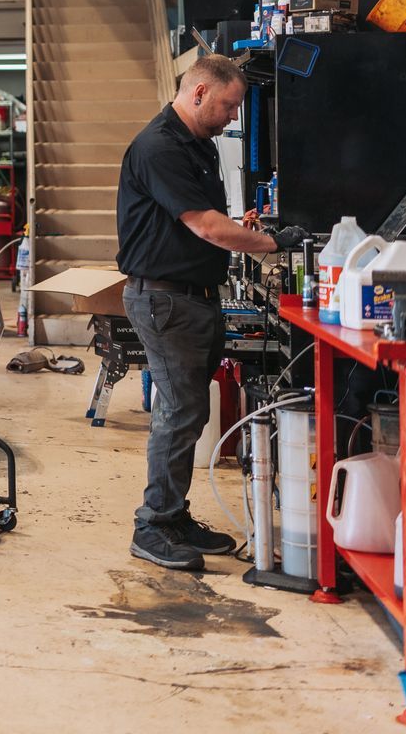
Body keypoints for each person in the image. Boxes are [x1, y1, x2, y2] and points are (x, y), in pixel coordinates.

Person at [115, 53, 309, 571]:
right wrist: (269, 242)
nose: (232, 118)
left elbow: (210, 220)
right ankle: (153, 525)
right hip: (165, 297)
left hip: (190, 295)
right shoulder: (159, 147)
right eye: (228, 106)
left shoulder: (195, 145)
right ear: (199, 92)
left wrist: (242, 226)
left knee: (189, 411)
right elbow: (204, 225)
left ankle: (173, 515)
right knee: (179, 414)